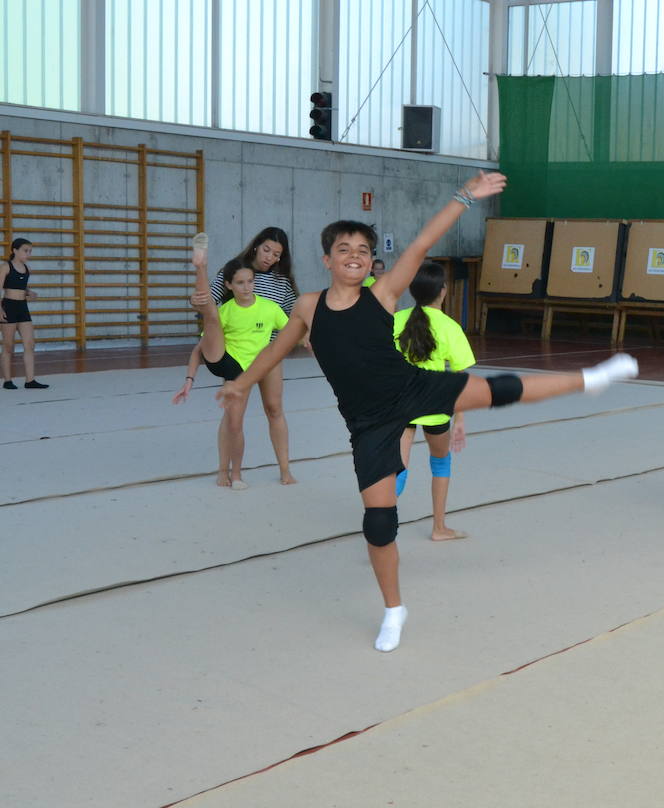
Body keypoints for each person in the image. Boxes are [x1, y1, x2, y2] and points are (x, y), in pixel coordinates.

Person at [216, 172, 639, 652]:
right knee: (378, 524)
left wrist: (463, 197)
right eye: (344, 249)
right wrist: (242, 383)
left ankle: (590, 379)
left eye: (362, 250)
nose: (354, 256)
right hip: (368, 423)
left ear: (371, 262)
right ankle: (394, 610)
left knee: (499, 389)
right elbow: (275, 349)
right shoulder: (309, 307)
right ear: (326, 259)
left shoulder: (381, 295)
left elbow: (420, 245)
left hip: (414, 388)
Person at [177, 227, 301, 483]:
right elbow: (208, 303)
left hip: (269, 355)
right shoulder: (233, 270)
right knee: (233, 415)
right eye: (267, 250)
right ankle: (227, 471)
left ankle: (285, 469)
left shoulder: (282, 283)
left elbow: (294, 318)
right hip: (237, 355)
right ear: (256, 246)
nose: (270, 257)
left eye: (276, 254)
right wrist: (194, 300)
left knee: (275, 409)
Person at [393, 260, 474, 542]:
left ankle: (382, 528)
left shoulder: (396, 320)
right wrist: (461, 419)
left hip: (400, 405)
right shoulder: (450, 327)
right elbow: (461, 380)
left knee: (397, 472)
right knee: (441, 463)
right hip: (436, 408)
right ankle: (439, 528)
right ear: (443, 291)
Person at [1, 237, 50, 389]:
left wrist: (30, 292)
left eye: (30, 251)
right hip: (8, 307)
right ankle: (7, 381)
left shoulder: (27, 269)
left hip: (22, 307)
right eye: (25, 250)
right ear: (14, 250)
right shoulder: (5, 267)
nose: (28, 254)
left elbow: (21, 286)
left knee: (30, 344)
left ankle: (30, 380)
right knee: (9, 346)